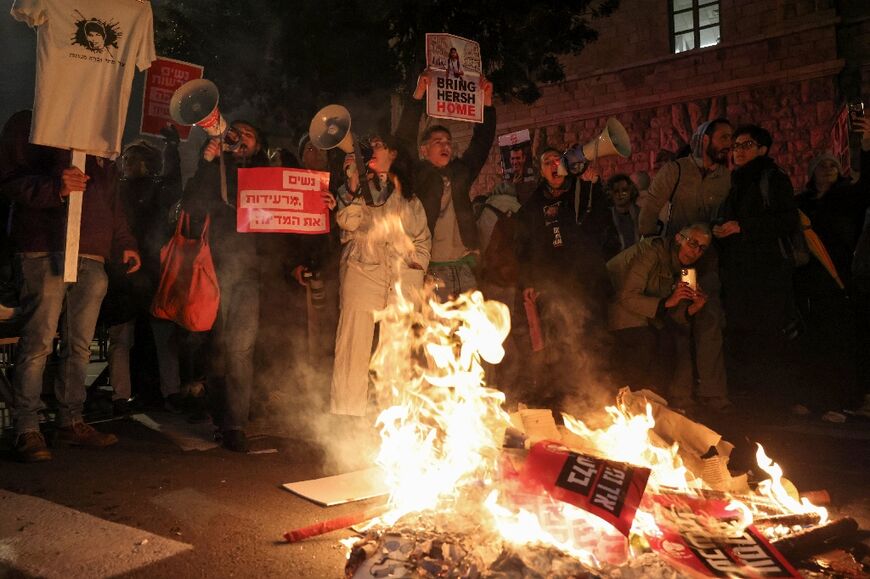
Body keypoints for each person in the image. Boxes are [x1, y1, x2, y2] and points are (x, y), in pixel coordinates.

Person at [0, 110, 141, 462]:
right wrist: (54, 188)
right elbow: (9, 180)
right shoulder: (31, 122)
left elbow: (112, 198)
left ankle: (70, 421)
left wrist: (124, 240)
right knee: (38, 342)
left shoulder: (100, 134)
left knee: (79, 345)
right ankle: (27, 428)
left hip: (91, 253)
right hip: (43, 246)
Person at [182, 120, 272, 452]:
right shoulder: (216, 171)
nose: (240, 138)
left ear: (258, 146)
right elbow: (191, 204)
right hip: (216, 269)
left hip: (251, 272)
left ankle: (235, 425)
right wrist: (208, 161)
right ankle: (221, 417)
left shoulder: (268, 174)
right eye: (236, 132)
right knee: (218, 347)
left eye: (249, 134)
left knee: (241, 350)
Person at [330, 134, 431, 416]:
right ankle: (347, 416)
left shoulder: (409, 198)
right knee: (353, 347)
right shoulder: (357, 190)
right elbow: (347, 223)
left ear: (394, 154)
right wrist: (352, 184)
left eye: (377, 145)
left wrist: (417, 267)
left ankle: (394, 413)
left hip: (399, 281)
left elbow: (423, 239)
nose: (370, 150)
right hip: (362, 273)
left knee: (396, 350)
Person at [637, 118, 734, 411]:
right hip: (680, 259)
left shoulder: (726, 178)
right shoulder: (676, 170)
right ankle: (681, 393)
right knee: (680, 320)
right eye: (723, 137)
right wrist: (648, 242)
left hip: (708, 259)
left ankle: (713, 392)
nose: (728, 144)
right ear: (705, 140)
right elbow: (651, 205)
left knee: (710, 318)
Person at [515, 148, 612, 411]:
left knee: (589, 338)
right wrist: (529, 282)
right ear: (542, 170)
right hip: (551, 285)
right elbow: (525, 248)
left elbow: (599, 223)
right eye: (547, 162)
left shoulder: (582, 191)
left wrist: (593, 186)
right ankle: (561, 398)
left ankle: (594, 395)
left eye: (558, 160)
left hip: (586, 282)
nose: (554, 165)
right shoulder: (533, 204)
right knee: (556, 340)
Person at [714, 125, 800, 397]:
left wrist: (742, 227)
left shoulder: (772, 178)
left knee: (767, 337)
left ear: (762, 149)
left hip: (766, 275)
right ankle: (748, 400)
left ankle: (772, 401)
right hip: (739, 275)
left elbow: (787, 220)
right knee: (742, 336)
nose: (738, 151)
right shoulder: (735, 181)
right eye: (736, 146)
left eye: (746, 145)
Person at [395, 70, 495, 301]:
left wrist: (487, 103)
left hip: (466, 267)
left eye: (448, 142)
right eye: (437, 142)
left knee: (472, 333)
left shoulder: (460, 173)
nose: (445, 146)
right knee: (439, 334)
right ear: (424, 150)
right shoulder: (417, 175)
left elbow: (481, 143)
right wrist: (418, 94)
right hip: (434, 270)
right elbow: (404, 141)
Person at [793, 116, 870, 412]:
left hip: (837, 276)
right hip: (807, 278)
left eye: (833, 165)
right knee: (811, 339)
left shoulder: (846, 198)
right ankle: (813, 398)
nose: (828, 169)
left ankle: (841, 399)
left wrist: (866, 144)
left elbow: (867, 186)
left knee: (838, 339)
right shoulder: (802, 203)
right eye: (822, 165)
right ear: (812, 173)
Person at [607, 224, 712, 411]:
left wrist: (693, 308)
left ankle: (651, 405)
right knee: (644, 340)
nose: (695, 251)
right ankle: (624, 403)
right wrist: (666, 303)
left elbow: (673, 314)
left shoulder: (686, 270)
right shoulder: (651, 251)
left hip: (647, 313)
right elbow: (627, 297)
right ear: (679, 238)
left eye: (702, 248)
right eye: (693, 243)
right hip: (612, 303)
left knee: (669, 343)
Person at [602, 173, 640, 260]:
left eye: (624, 190)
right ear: (610, 193)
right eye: (616, 191)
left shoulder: (641, 214)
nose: (620, 194)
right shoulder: (606, 218)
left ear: (631, 191)